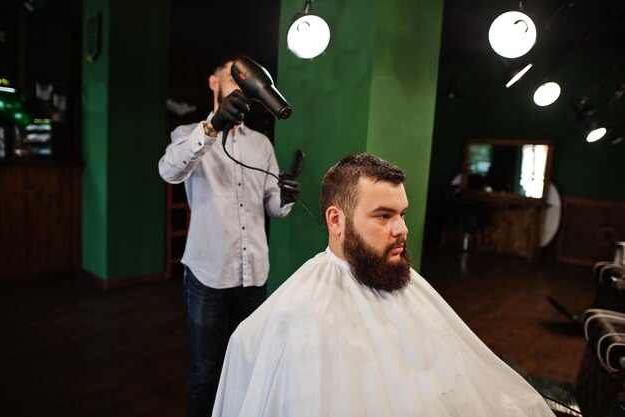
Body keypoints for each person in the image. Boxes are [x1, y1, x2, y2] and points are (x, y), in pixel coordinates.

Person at [211, 153, 555, 417]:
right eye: (383, 215)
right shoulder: (301, 311)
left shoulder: (401, 280)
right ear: (336, 220)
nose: (402, 229)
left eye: (402, 214)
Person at [158, 54, 300, 417]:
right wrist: (212, 128)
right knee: (205, 372)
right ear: (213, 83)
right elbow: (169, 171)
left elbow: (272, 208)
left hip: (254, 277)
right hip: (208, 275)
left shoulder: (262, 145)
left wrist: (285, 197)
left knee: (247, 365)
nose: (240, 88)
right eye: (233, 79)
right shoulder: (185, 136)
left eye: (246, 82)